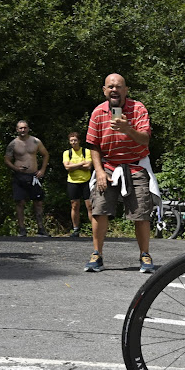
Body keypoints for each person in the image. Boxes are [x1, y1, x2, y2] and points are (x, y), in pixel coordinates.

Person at [84, 73, 159, 274]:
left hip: (136, 165)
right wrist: (99, 171)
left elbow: (145, 140)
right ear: (104, 90)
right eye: (110, 87)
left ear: (125, 90)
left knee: (142, 213)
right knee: (99, 209)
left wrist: (128, 129)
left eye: (118, 87)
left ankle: (145, 255)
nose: (114, 90)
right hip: (108, 165)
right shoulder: (98, 112)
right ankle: (97, 254)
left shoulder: (138, 108)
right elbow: (93, 145)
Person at [4, 120, 50, 237]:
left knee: (38, 202)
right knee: (20, 202)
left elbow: (45, 154)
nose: (23, 130)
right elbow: (7, 159)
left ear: (28, 128)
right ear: (17, 130)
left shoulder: (35, 141)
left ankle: (41, 228)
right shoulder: (13, 144)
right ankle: (22, 229)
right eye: (20, 128)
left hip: (34, 175)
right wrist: (16, 168)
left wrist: (42, 170)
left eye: (24, 128)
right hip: (19, 176)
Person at [63, 132, 93, 237]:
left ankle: (95, 229)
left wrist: (73, 165)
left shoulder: (86, 151)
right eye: (71, 140)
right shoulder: (67, 153)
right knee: (74, 205)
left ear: (79, 141)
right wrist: (81, 164)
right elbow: (67, 168)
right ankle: (76, 229)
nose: (73, 142)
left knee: (90, 206)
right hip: (73, 182)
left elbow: (89, 166)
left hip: (86, 181)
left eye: (75, 140)